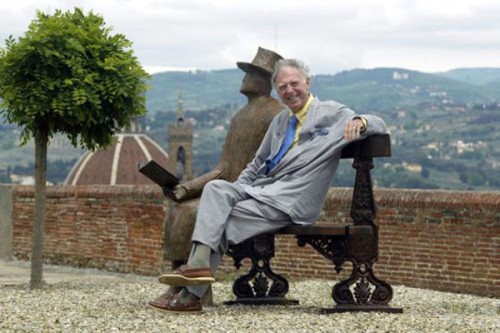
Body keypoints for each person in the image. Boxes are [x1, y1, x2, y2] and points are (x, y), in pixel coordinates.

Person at [151, 58, 389, 313]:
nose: (289, 90)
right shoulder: (280, 122)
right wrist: (239, 191)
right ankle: (193, 285)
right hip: (264, 194)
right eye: (282, 86)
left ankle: (189, 292)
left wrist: (361, 122)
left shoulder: (330, 113)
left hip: (293, 200)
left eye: (294, 83)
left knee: (216, 218)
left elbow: (379, 123)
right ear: (277, 90)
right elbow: (256, 164)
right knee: (217, 192)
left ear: (307, 83)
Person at [149, 47, 285, 308]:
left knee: (190, 214)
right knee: (179, 209)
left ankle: (194, 292)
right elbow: (224, 168)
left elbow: (272, 164)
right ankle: (178, 284)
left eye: (251, 73)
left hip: (249, 193)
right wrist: (186, 189)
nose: (244, 78)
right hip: (227, 188)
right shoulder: (239, 117)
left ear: (266, 80)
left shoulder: (276, 114)